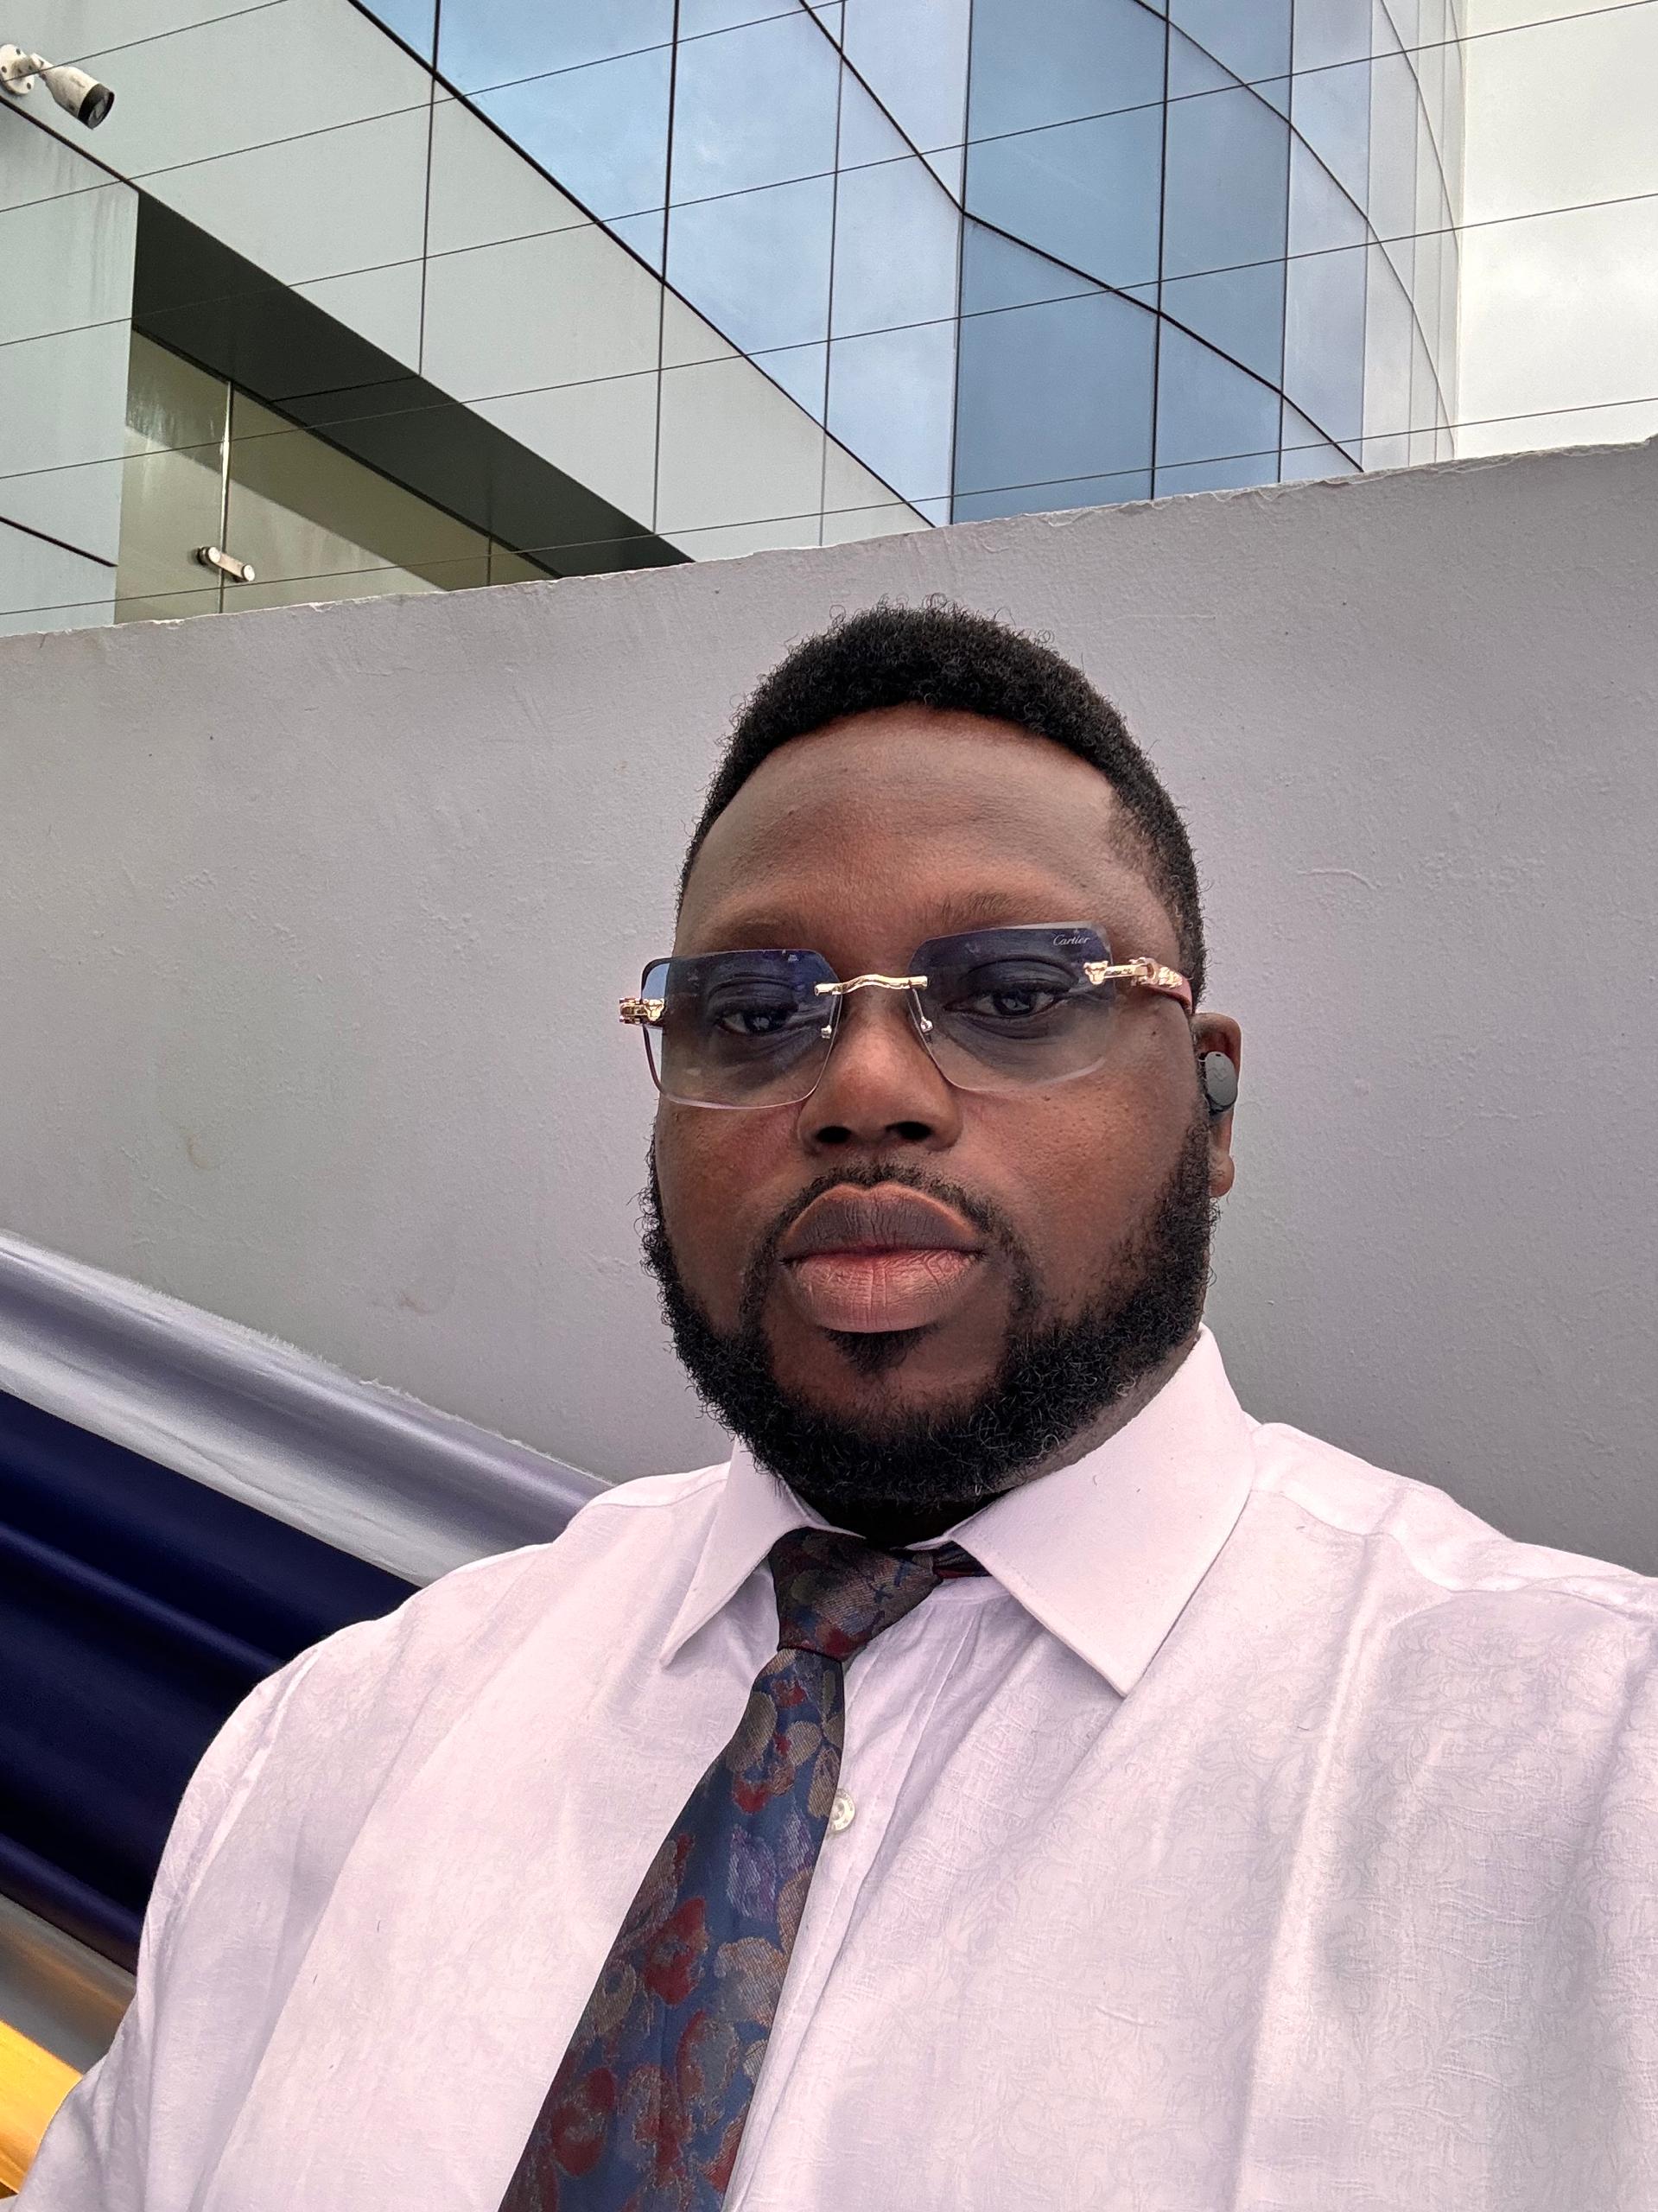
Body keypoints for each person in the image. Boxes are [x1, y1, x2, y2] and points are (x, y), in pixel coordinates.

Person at [22, 600, 1657, 2212]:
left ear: (1212, 1098)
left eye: (1014, 993)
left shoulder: (1587, 1789)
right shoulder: (340, 1744)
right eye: (753, 1016)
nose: (866, 1089)